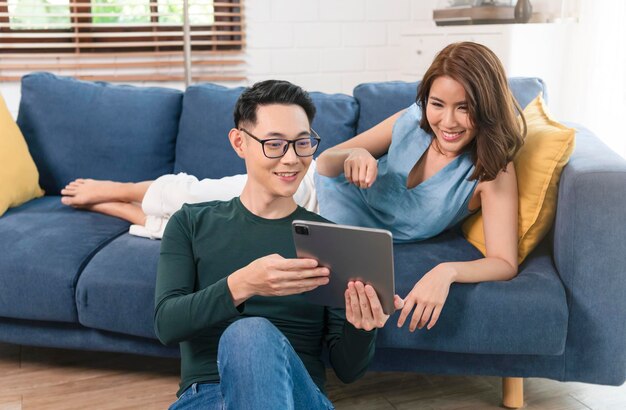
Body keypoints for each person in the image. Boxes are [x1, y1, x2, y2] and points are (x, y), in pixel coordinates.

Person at [153, 79, 403, 410]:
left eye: (302, 144)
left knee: (250, 334)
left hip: (299, 397)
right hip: (208, 397)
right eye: (274, 144)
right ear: (239, 142)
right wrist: (242, 285)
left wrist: (363, 328)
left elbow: (348, 370)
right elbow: (167, 325)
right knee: (247, 334)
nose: (291, 159)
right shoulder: (190, 223)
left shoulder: (329, 240)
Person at [314, 41, 525, 333]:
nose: (447, 122)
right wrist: (356, 154)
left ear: (487, 106)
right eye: (437, 104)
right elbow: (324, 163)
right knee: (229, 209)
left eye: (464, 108)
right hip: (309, 196)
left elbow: (503, 262)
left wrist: (446, 271)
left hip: (324, 231)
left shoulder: (491, 171)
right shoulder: (413, 119)